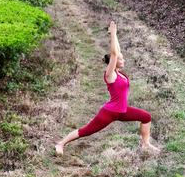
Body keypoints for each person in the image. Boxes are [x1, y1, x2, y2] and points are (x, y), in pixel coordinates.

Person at [56, 20, 159, 155]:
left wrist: (114, 35)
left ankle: (145, 144)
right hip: (109, 113)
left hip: (122, 111)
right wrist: (113, 35)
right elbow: (115, 54)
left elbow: (117, 52)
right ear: (114, 62)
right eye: (121, 59)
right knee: (86, 131)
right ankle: (61, 143)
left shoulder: (119, 74)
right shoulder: (110, 74)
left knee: (146, 117)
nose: (124, 60)